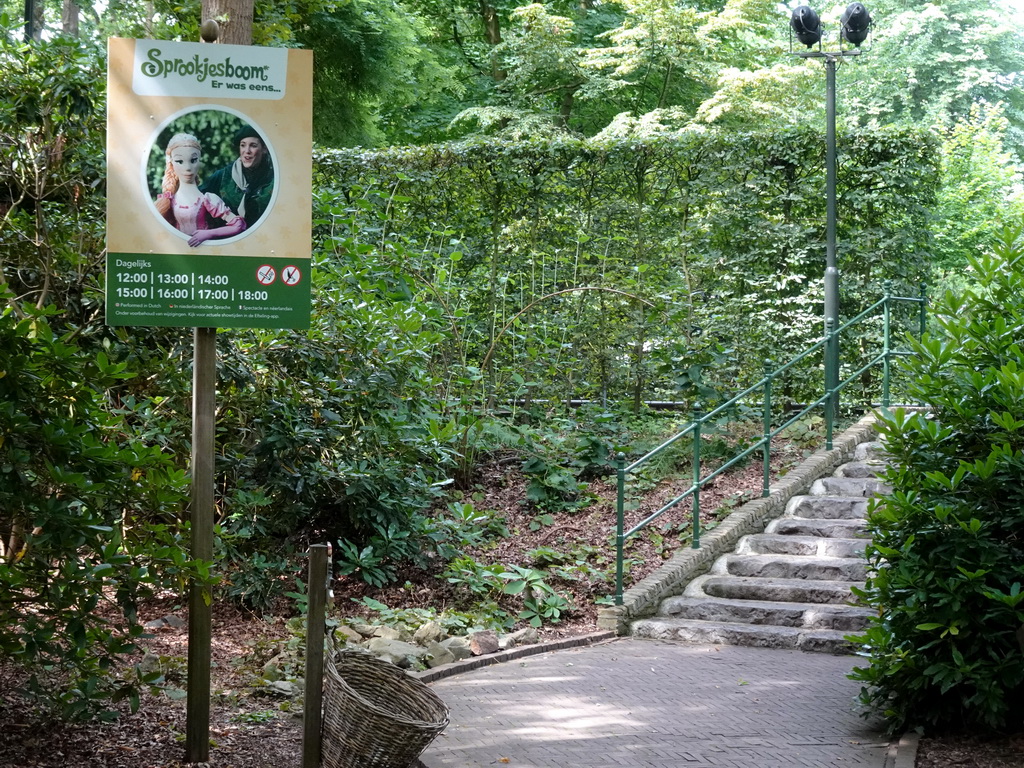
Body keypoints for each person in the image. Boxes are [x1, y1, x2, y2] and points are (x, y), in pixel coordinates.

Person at [154, 133, 246, 246]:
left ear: (199, 161)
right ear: (171, 163)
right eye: (180, 161)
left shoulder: (208, 199)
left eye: (193, 160)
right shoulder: (168, 200)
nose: (187, 168)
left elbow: (238, 225)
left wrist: (209, 234)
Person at [200, 124, 274, 229]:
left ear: (264, 149)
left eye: (253, 145)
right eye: (243, 145)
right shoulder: (223, 176)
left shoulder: (273, 180)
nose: (247, 151)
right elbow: (195, 199)